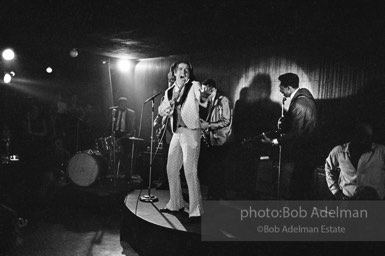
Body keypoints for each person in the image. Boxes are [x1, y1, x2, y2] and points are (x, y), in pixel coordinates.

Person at [158, 61, 203, 223]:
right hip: (177, 132)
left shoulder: (194, 85)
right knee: (171, 168)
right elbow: (162, 110)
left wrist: (204, 95)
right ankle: (175, 204)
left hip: (191, 131)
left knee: (190, 170)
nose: (184, 72)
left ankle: (195, 211)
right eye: (181, 69)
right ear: (175, 73)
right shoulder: (169, 91)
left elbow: (202, 100)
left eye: (187, 69)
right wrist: (169, 104)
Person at [262, 73, 317, 199]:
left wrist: (274, 141)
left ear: (289, 88)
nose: (280, 89)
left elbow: (296, 133)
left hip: (302, 153)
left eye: (281, 86)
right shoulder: (305, 97)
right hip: (307, 152)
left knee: (297, 188)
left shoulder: (299, 104)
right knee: (302, 187)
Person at [325, 122, 385, 200]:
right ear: (354, 136)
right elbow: (328, 168)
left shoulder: (381, 152)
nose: (366, 140)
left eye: (369, 137)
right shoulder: (339, 152)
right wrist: (336, 191)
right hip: (348, 201)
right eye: (362, 136)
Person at [199, 79, 232, 200]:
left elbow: (226, 120)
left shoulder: (223, 100)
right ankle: (213, 195)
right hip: (213, 139)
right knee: (213, 169)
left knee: (218, 170)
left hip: (221, 140)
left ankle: (218, 196)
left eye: (203, 89)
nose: (201, 91)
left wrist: (207, 125)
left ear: (210, 88)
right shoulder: (210, 100)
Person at [110, 97, 136, 180]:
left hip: (125, 135)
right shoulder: (114, 111)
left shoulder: (131, 113)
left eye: (124, 103)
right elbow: (109, 123)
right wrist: (111, 132)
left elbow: (133, 126)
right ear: (118, 104)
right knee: (114, 154)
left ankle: (127, 175)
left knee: (125, 156)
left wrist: (129, 134)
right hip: (115, 134)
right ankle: (112, 173)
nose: (123, 105)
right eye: (121, 103)